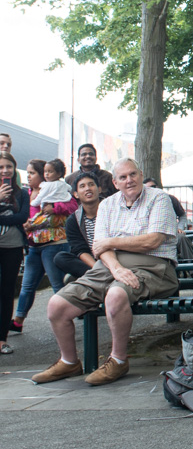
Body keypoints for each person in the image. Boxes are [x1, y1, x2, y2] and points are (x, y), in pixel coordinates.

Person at [31, 158, 179, 386]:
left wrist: (112, 242)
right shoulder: (108, 204)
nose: (129, 180)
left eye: (132, 174)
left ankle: (118, 360)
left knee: (116, 294)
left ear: (140, 175)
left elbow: (152, 240)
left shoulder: (158, 198)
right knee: (56, 305)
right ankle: (69, 362)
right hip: (109, 266)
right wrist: (117, 267)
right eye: (123, 177)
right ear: (115, 182)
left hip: (153, 265)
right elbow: (100, 248)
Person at [10, 159, 78, 333]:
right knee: (27, 285)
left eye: (33, 173)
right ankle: (18, 320)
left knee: (57, 284)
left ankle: (66, 318)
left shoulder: (57, 190)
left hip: (54, 244)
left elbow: (72, 206)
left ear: (44, 174)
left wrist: (54, 207)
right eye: (28, 173)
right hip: (33, 246)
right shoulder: (26, 194)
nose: (29, 176)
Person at [0, 152, 30, 354]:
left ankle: (2, 339)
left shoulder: (21, 193)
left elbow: (22, 217)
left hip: (13, 247)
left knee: (7, 292)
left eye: (9, 167)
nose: (5, 171)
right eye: (1, 167)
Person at [53, 170, 101, 281]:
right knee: (60, 258)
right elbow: (80, 250)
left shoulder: (112, 210)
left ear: (99, 189)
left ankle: (90, 278)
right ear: (76, 194)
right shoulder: (73, 220)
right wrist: (97, 268)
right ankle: (99, 275)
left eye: (91, 184)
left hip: (114, 256)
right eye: (82, 186)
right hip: (91, 262)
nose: (87, 189)